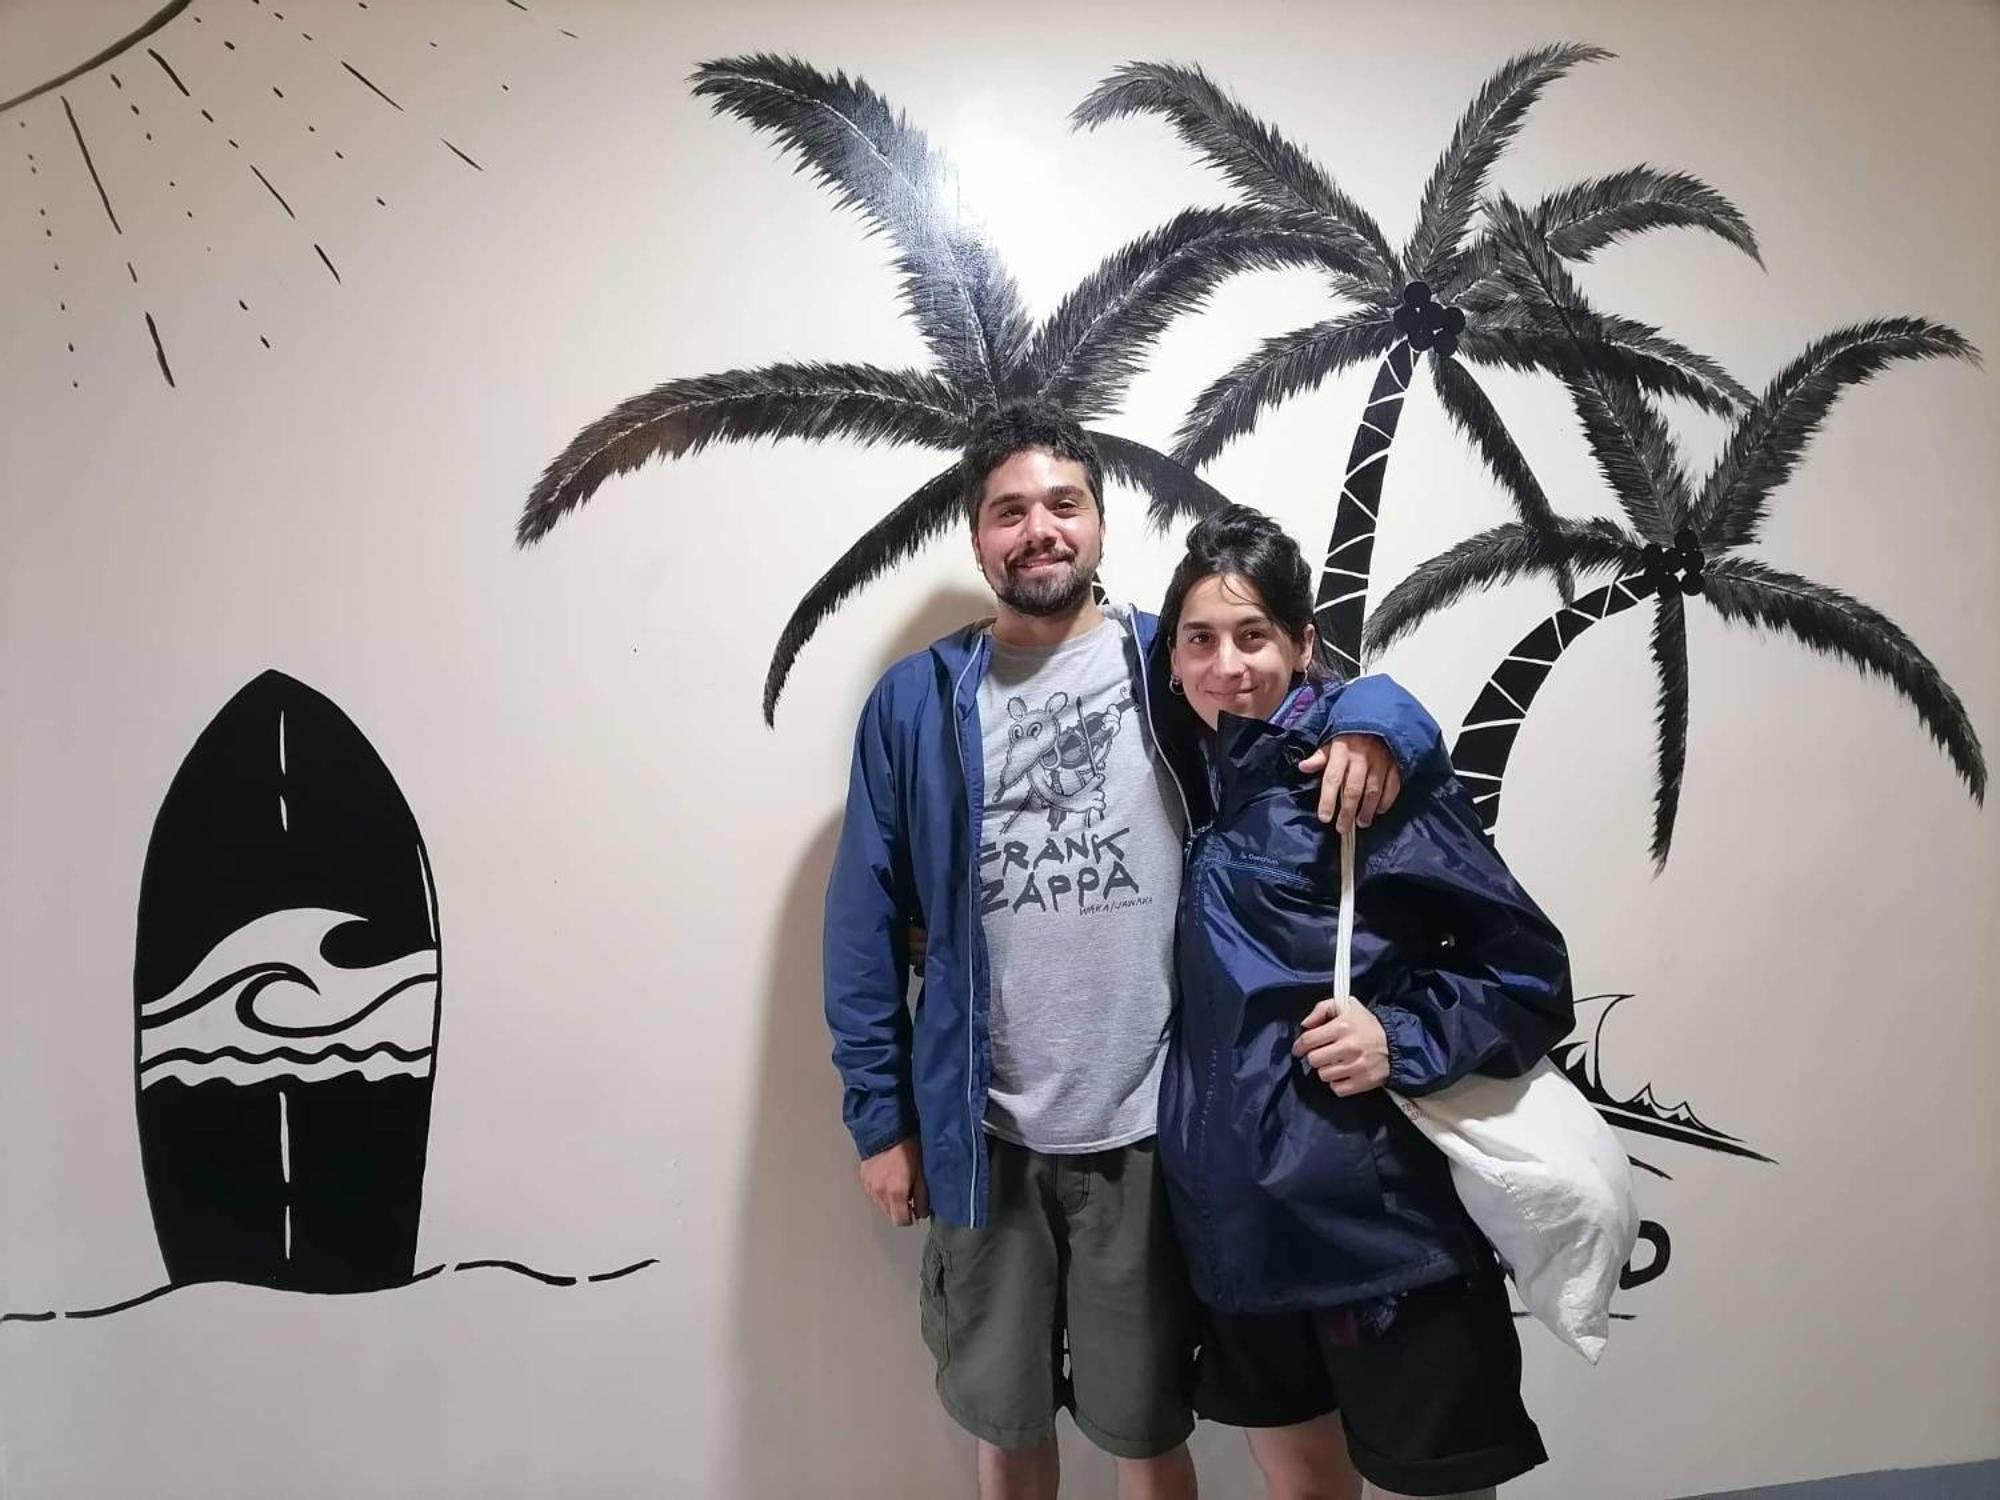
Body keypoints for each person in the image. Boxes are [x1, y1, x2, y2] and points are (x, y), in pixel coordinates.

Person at [823, 403, 1449, 1500]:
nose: (1039, 529)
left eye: (1062, 503)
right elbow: (862, 923)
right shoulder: (917, 702)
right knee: (1005, 1417)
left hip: (1154, 1127)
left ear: (1100, 523)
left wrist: (1383, 722)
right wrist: (882, 1122)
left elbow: (1318, 693)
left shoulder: (1171, 661)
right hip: (982, 1131)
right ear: (977, 537)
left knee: (1145, 1426)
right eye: (1009, 511)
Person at [1153, 504, 1574, 1500]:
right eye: (1199, 640)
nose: (1226, 666)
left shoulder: (1360, 782)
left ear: (1303, 644)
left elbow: (1529, 976)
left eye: (1252, 635)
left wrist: (1401, 1035)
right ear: (1169, 659)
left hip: (1382, 1244)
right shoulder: (1191, 770)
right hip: (1240, 1241)